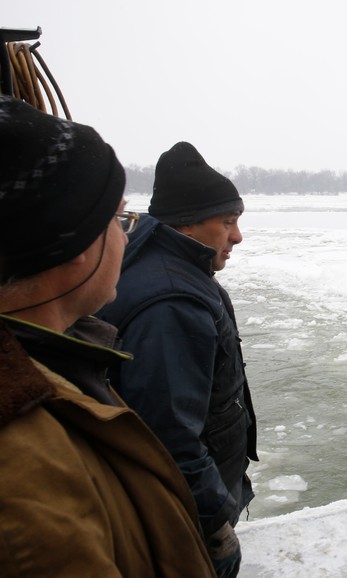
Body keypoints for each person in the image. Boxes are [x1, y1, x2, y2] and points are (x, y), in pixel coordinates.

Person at [0, 96, 217, 577]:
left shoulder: (59, 369)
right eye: (119, 220)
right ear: (74, 245)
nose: (127, 237)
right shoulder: (28, 471)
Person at [96, 142, 258, 578]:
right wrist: (214, 519)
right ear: (187, 225)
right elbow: (168, 436)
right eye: (227, 222)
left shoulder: (165, 266)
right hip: (187, 519)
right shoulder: (171, 302)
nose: (238, 236)